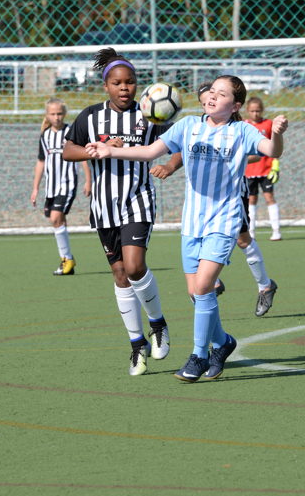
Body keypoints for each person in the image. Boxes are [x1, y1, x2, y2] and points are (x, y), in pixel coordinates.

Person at [87, 75, 288, 383]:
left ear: (235, 105)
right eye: (212, 91)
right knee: (196, 293)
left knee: (205, 286)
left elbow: (272, 150)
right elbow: (150, 152)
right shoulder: (188, 126)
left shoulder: (242, 131)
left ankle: (198, 355)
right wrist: (110, 151)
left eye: (222, 94)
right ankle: (223, 342)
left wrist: (277, 134)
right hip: (192, 221)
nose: (213, 96)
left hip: (224, 220)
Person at [62, 47, 180, 377]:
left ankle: (158, 323)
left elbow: (180, 144)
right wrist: (96, 151)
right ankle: (136, 344)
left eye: (130, 82)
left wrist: (170, 166)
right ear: (106, 86)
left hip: (138, 200)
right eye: (117, 83)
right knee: (119, 274)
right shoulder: (90, 117)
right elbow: (67, 150)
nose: (124, 88)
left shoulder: (150, 115)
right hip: (104, 206)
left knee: (134, 266)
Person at [151, 82, 278, 317]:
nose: (208, 103)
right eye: (203, 101)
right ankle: (212, 283)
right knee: (202, 262)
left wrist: (234, 158)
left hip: (231, 195)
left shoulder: (238, 129)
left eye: (214, 96)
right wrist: (170, 165)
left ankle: (265, 286)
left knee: (243, 240)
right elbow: (186, 150)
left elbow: (255, 152)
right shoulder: (196, 125)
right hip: (203, 203)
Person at [30, 97, 91, 276]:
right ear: (47, 115)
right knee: (58, 221)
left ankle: (67, 259)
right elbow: (41, 161)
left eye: (59, 114)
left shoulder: (71, 132)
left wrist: (89, 180)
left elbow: (83, 157)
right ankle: (67, 259)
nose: (56, 117)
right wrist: (35, 188)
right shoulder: (45, 135)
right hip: (51, 186)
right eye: (52, 114)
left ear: (64, 114)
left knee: (55, 218)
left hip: (67, 184)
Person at [245, 96, 282, 241]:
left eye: (258, 111)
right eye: (252, 111)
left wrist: (275, 165)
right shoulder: (244, 125)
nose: (255, 114)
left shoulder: (268, 124)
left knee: (269, 197)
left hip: (266, 169)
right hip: (249, 171)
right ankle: (251, 231)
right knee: (251, 200)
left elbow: (275, 146)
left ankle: (276, 230)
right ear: (247, 111)